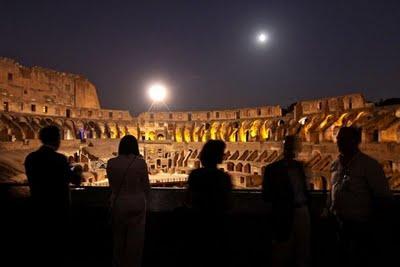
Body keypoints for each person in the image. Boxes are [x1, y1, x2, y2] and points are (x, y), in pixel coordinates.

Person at [328, 127, 392, 267]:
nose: (339, 143)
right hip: (337, 223)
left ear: (355, 141)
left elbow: (383, 197)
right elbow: (332, 190)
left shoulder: (369, 165)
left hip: (360, 225)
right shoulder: (335, 164)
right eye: (338, 139)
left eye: (343, 139)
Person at [24, 125, 81, 266]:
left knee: (41, 249)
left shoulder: (30, 158)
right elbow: (76, 180)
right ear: (57, 140)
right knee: (58, 249)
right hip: (58, 210)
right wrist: (78, 169)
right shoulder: (60, 159)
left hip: (37, 208)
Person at [262, 135, 311, 267]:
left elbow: (306, 191)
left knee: (303, 250)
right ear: (284, 147)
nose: (293, 149)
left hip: (302, 211)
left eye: (295, 146)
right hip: (283, 213)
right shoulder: (272, 169)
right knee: (282, 251)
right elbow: (266, 195)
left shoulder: (301, 167)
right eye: (289, 146)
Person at [185, 140, 232, 266]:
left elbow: (187, 199)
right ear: (218, 157)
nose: (224, 155)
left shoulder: (195, 175)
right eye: (222, 153)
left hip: (197, 224)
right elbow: (228, 204)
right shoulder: (224, 178)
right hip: (217, 225)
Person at [107, 135, 150, 267]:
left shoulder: (111, 162)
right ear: (135, 147)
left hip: (119, 203)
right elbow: (146, 186)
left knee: (118, 240)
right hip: (137, 203)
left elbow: (112, 185)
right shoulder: (140, 162)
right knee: (135, 242)